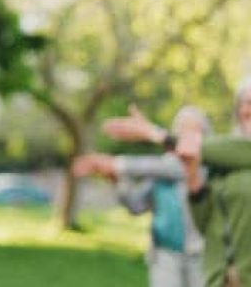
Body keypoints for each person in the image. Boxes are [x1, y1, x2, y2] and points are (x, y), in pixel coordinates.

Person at [103, 74, 251, 287]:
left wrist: (154, 134)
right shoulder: (222, 158)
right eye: (247, 103)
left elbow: (220, 149)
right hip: (223, 277)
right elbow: (205, 221)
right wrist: (192, 175)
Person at [74, 106, 208, 287]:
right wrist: (116, 180)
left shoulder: (206, 168)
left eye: (194, 130)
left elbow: (177, 169)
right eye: (183, 130)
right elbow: (135, 206)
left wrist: (116, 163)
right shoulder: (161, 168)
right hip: (164, 255)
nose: (187, 137)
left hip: (199, 255)